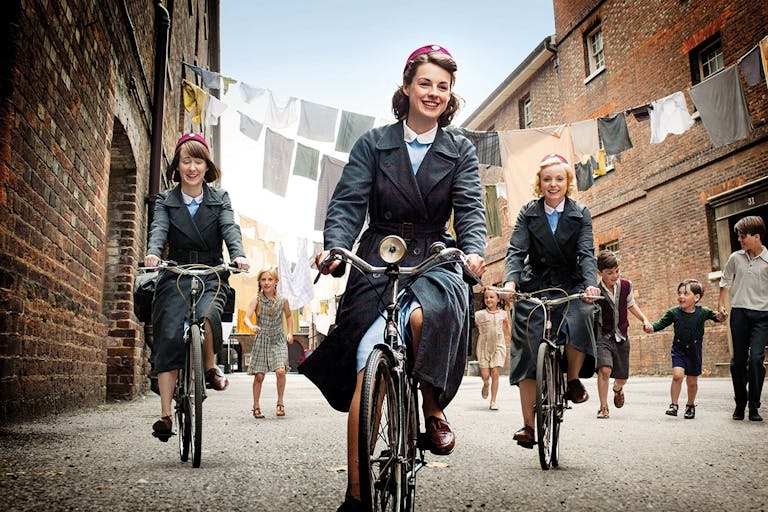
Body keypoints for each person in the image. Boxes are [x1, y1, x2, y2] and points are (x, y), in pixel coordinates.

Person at [299, 44, 486, 511]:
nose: (433, 93)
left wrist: (475, 252)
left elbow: (470, 210)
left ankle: (431, 406)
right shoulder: (373, 143)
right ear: (406, 87)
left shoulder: (459, 149)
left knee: (426, 317)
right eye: (425, 83)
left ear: (450, 95)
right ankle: (357, 496)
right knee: (366, 357)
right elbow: (346, 204)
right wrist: (336, 249)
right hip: (379, 252)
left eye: (443, 87)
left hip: (435, 252)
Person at [144, 132, 250, 441]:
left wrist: (238, 255)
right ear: (177, 167)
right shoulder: (167, 199)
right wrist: (153, 252)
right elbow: (159, 227)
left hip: (211, 270)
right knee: (167, 334)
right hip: (174, 270)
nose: (192, 167)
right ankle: (165, 414)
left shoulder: (220, 199)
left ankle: (209, 368)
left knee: (208, 314)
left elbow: (230, 228)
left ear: (207, 167)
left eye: (198, 161)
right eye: (186, 161)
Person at [502, 153, 600, 448]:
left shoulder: (580, 213)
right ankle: (528, 427)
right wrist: (510, 281)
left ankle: (571, 380)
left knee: (582, 313)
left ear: (568, 182)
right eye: (547, 179)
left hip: (571, 282)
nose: (553, 184)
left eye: (559, 179)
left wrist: (591, 285)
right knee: (528, 346)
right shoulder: (528, 212)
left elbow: (585, 253)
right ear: (540, 183)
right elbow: (517, 250)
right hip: (536, 283)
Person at [645, 279, 725, 419]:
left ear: (696, 297)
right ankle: (674, 405)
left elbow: (717, 317)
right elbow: (661, 324)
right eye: (680, 293)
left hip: (694, 351)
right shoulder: (674, 313)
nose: (681, 296)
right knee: (677, 376)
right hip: (679, 349)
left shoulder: (703, 312)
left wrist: (722, 316)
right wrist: (651, 328)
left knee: (692, 381)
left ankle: (690, 405)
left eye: (686, 293)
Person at [717, 215, 768, 422]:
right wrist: (720, 305)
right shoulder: (736, 258)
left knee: (756, 359)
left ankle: (754, 405)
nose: (739, 240)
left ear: (756, 236)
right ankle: (740, 403)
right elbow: (725, 280)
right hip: (739, 314)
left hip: (763, 316)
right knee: (738, 361)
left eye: (743, 236)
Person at [594, 250, 652, 419]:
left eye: (617, 271)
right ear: (600, 273)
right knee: (604, 370)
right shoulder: (595, 291)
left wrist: (644, 320)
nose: (615, 275)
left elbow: (631, 305)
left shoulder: (626, 285)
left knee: (622, 377)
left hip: (622, 335)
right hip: (603, 336)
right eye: (610, 273)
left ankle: (617, 389)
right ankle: (603, 407)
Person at [244, 267, 293, 418]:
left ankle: (280, 403)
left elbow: (289, 316)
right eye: (263, 279)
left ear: (276, 282)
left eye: (270, 279)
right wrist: (252, 326)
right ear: (259, 281)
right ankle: (256, 406)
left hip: (278, 339)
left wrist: (290, 332)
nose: (266, 283)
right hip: (262, 339)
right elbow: (246, 317)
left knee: (280, 371)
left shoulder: (282, 300)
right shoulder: (256, 299)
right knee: (259, 376)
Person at [475, 287, 510, 410]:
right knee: (485, 375)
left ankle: (493, 401)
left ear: (498, 299)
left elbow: (506, 329)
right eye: (486, 297)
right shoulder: (479, 315)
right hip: (483, 346)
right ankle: (485, 384)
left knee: (495, 373)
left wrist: (509, 340)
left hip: (498, 346)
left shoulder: (503, 314)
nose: (488, 299)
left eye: (491, 297)